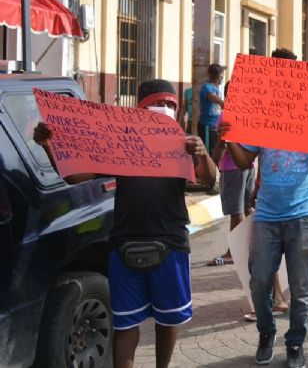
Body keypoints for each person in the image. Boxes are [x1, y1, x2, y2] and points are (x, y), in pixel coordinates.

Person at [34, 79, 217, 368]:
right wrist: (49, 145)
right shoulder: (119, 143)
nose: (164, 110)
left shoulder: (184, 143)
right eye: (158, 105)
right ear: (139, 110)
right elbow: (75, 176)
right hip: (124, 244)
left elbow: (210, 179)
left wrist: (203, 153)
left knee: (168, 319)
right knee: (125, 323)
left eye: (169, 105)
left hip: (171, 244)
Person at [221, 48, 308, 368]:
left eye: (288, 75)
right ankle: (266, 333)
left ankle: (295, 343)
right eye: (276, 75)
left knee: (300, 286)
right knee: (259, 281)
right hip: (267, 215)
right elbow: (243, 163)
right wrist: (229, 139)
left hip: (304, 215)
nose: (283, 82)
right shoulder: (261, 117)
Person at [207, 81, 258, 267]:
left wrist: (210, 165)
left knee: (236, 211)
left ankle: (233, 252)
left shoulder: (226, 118)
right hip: (249, 166)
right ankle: (248, 247)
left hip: (231, 167)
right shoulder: (249, 115)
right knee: (246, 209)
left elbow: (221, 145)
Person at [199, 64, 225, 151]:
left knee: (215, 151)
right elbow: (213, 97)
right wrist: (223, 104)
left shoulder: (216, 88)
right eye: (222, 75)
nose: (223, 77)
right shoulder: (207, 87)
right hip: (208, 126)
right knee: (208, 152)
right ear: (219, 76)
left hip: (216, 126)